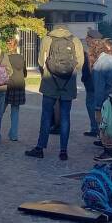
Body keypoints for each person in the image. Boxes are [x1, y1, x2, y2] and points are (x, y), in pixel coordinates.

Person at [27, 25, 84, 161]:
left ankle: (40, 148)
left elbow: (41, 61)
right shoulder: (75, 40)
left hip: (50, 82)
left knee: (46, 115)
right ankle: (63, 151)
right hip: (68, 84)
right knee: (65, 117)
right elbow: (80, 63)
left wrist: (47, 72)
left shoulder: (47, 39)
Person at [4, 38, 27, 142]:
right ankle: (14, 135)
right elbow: (25, 73)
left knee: (0, 110)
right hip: (19, 85)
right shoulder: (21, 58)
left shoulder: (5, 58)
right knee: (15, 111)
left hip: (8, 85)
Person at [82, 29, 102, 138]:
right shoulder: (97, 50)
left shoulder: (94, 52)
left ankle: (96, 129)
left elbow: (92, 70)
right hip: (92, 84)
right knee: (93, 106)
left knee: (92, 106)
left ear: (92, 39)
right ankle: (95, 128)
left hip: (92, 84)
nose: (85, 39)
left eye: (87, 37)